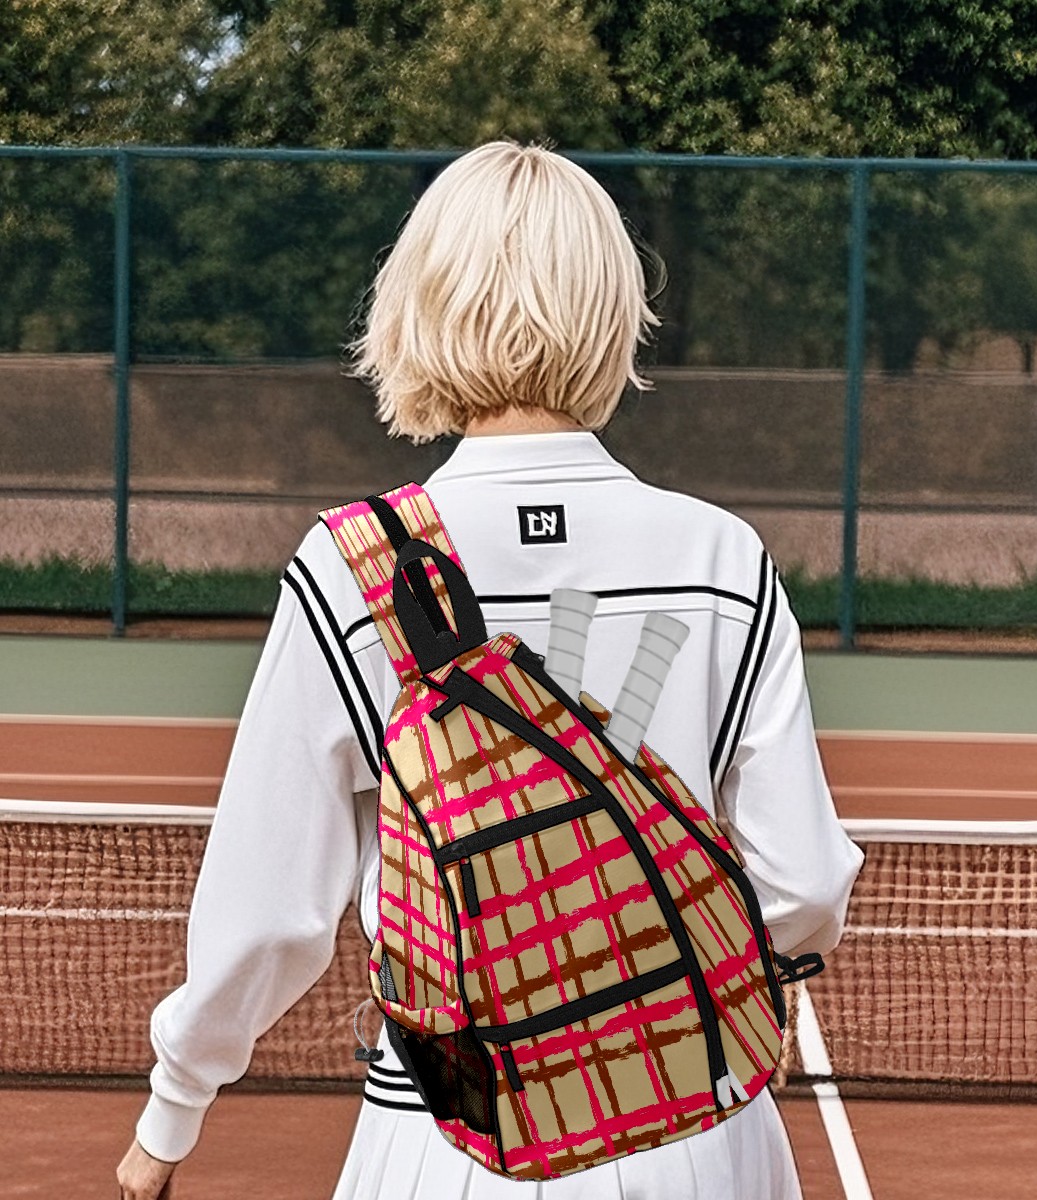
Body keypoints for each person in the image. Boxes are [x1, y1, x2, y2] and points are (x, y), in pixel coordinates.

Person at [118, 139, 865, 1200]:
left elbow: (269, 914)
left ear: (422, 305)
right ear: (614, 311)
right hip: (695, 1116)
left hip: (446, 1132)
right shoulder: (722, 558)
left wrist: (171, 1114)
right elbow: (805, 885)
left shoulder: (352, 567)